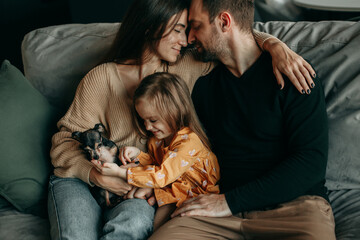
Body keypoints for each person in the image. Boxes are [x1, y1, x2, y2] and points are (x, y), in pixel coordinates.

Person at [48, 0, 317, 239]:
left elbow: (233, 37)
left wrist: (275, 46)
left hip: (139, 184)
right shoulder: (102, 78)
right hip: (82, 178)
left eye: (190, 28)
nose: (187, 39)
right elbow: (63, 141)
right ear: (149, 27)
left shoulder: (186, 67)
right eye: (178, 29)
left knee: (132, 225)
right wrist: (96, 175)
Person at [150, 0, 336, 239]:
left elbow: (311, 163)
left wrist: (229, 202)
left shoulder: (294, 73)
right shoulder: (200, 80)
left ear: (224, 22)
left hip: (293, 209)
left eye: (195, 26)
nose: (189, 38)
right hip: (217, 212)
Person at [91, 72, 220, 230]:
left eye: (153, 120)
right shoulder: (156, 140)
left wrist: (119, 173)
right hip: (172, 187)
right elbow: (157, 163)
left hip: (196, 193)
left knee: (159, 223)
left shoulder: (189, 142)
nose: (147, 127)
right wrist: (139, 155)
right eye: (143, 120)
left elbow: (162, 175)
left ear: (175, 111)